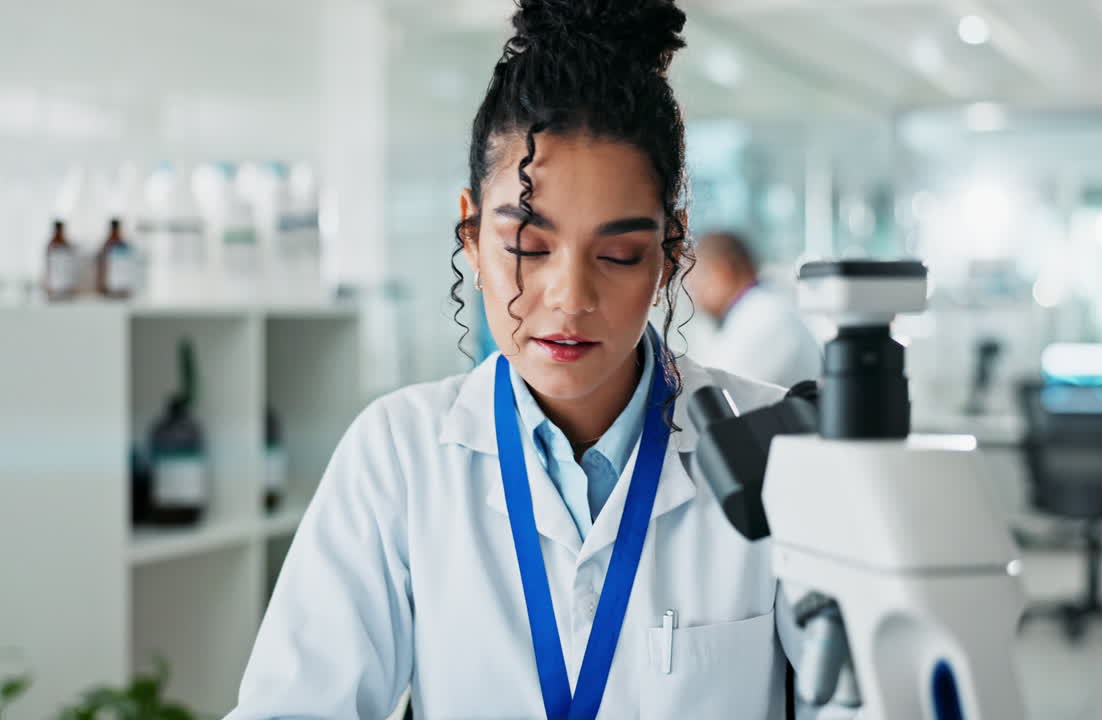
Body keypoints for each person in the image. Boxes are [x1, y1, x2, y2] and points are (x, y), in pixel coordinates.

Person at [226, 2, 809, 718]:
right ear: (470, 236)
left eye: (619, 254)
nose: (569, 298)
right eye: (528, 247)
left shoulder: (776, 448)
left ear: (669, 252)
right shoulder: (399, 457)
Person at [686, 230, 822, 389]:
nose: (692, 293)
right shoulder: (758, 309)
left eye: (696, 279)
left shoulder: (765, 318)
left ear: (721, 272)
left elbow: (720, 394)